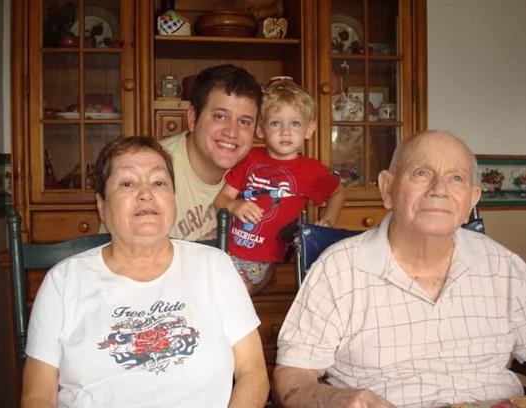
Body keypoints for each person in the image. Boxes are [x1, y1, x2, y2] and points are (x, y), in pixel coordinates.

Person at [273, 130, 526, 408]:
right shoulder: (338, 269)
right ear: (387, 189)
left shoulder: (504, 266)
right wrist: (334, 400)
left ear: (472, 199)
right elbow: (292, 376)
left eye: (456, 178)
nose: (439, 189)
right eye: (421, 173)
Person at [21, 136, 269, 407]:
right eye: (127, 183)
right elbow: (38, 396)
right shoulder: (63, 282)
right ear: (102, 205)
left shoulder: (215, 267)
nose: (146, 193)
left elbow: (253, 373)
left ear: (173, 199)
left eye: (159, 182)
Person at [214, 78, 346, 295]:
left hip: (263, 260)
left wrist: (328, 222)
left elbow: (338, 193)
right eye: (276, 123)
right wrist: (235, 205)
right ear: (260, 129)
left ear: (309, 129)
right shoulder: (249, 158)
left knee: (231, 297)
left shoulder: (312, 170)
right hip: (227, 248)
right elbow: (221, 199)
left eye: (295, 124)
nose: (286, 132)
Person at [160, 64, 263, 241]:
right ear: (192, 118)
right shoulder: (152, 169)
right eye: (220, 116)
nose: (232, 132)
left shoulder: (258, 172)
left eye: (244, 122)